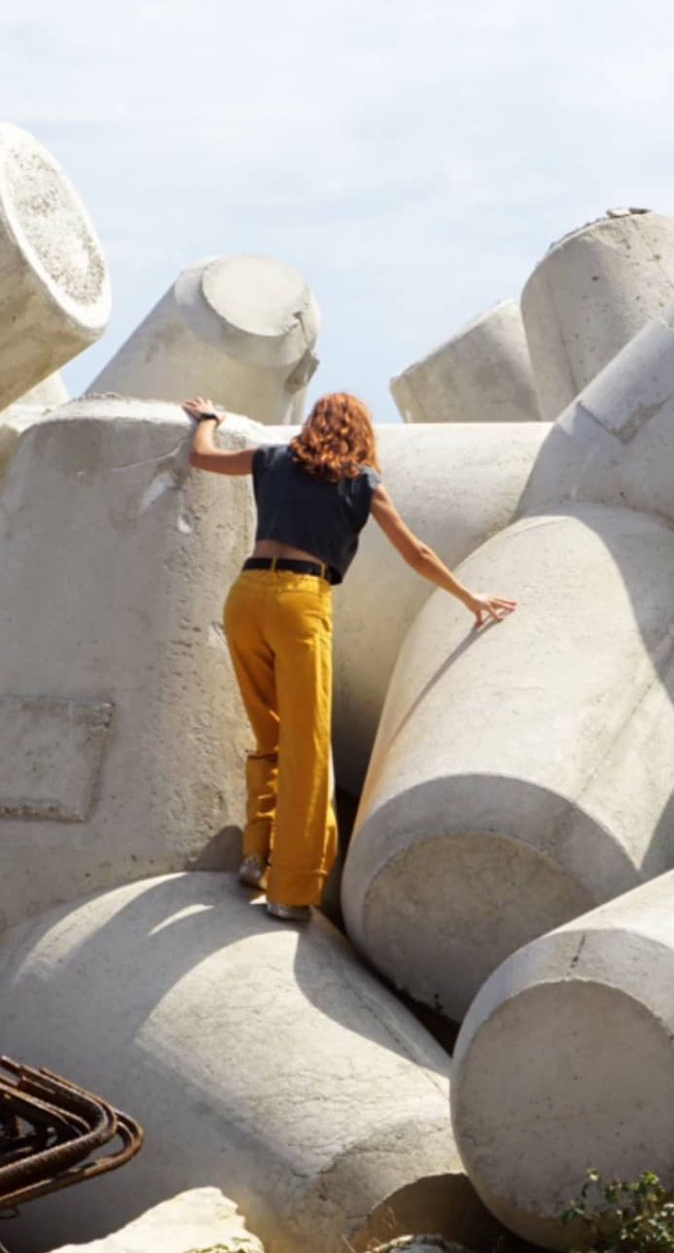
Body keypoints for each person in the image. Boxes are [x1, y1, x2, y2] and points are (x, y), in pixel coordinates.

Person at [183, 391, 517, 922]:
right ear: (362, 432)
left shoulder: (272, 459)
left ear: (314, 423)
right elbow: (416, 552)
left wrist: (207, 420)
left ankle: (256, 850)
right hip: (301, 601)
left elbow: (201, 457)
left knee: (269, 733)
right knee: (307, 745)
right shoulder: (362, 482)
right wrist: (469, 597)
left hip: (245, 597)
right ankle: (291, 890)